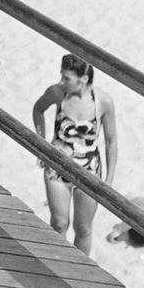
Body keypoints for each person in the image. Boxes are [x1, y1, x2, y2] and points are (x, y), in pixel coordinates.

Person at [32, 54, 118, 254]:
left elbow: (112, 142)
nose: (61, 81)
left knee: (83, 229)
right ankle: (57, 266)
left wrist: (109, 178)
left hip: (89, 169)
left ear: (84, 80)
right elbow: (38, 110)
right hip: (56, 167)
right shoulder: (56, 93)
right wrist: (40, 143)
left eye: (67, 78)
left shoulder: (103, 102)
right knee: (59, 223)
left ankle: (79, 270)